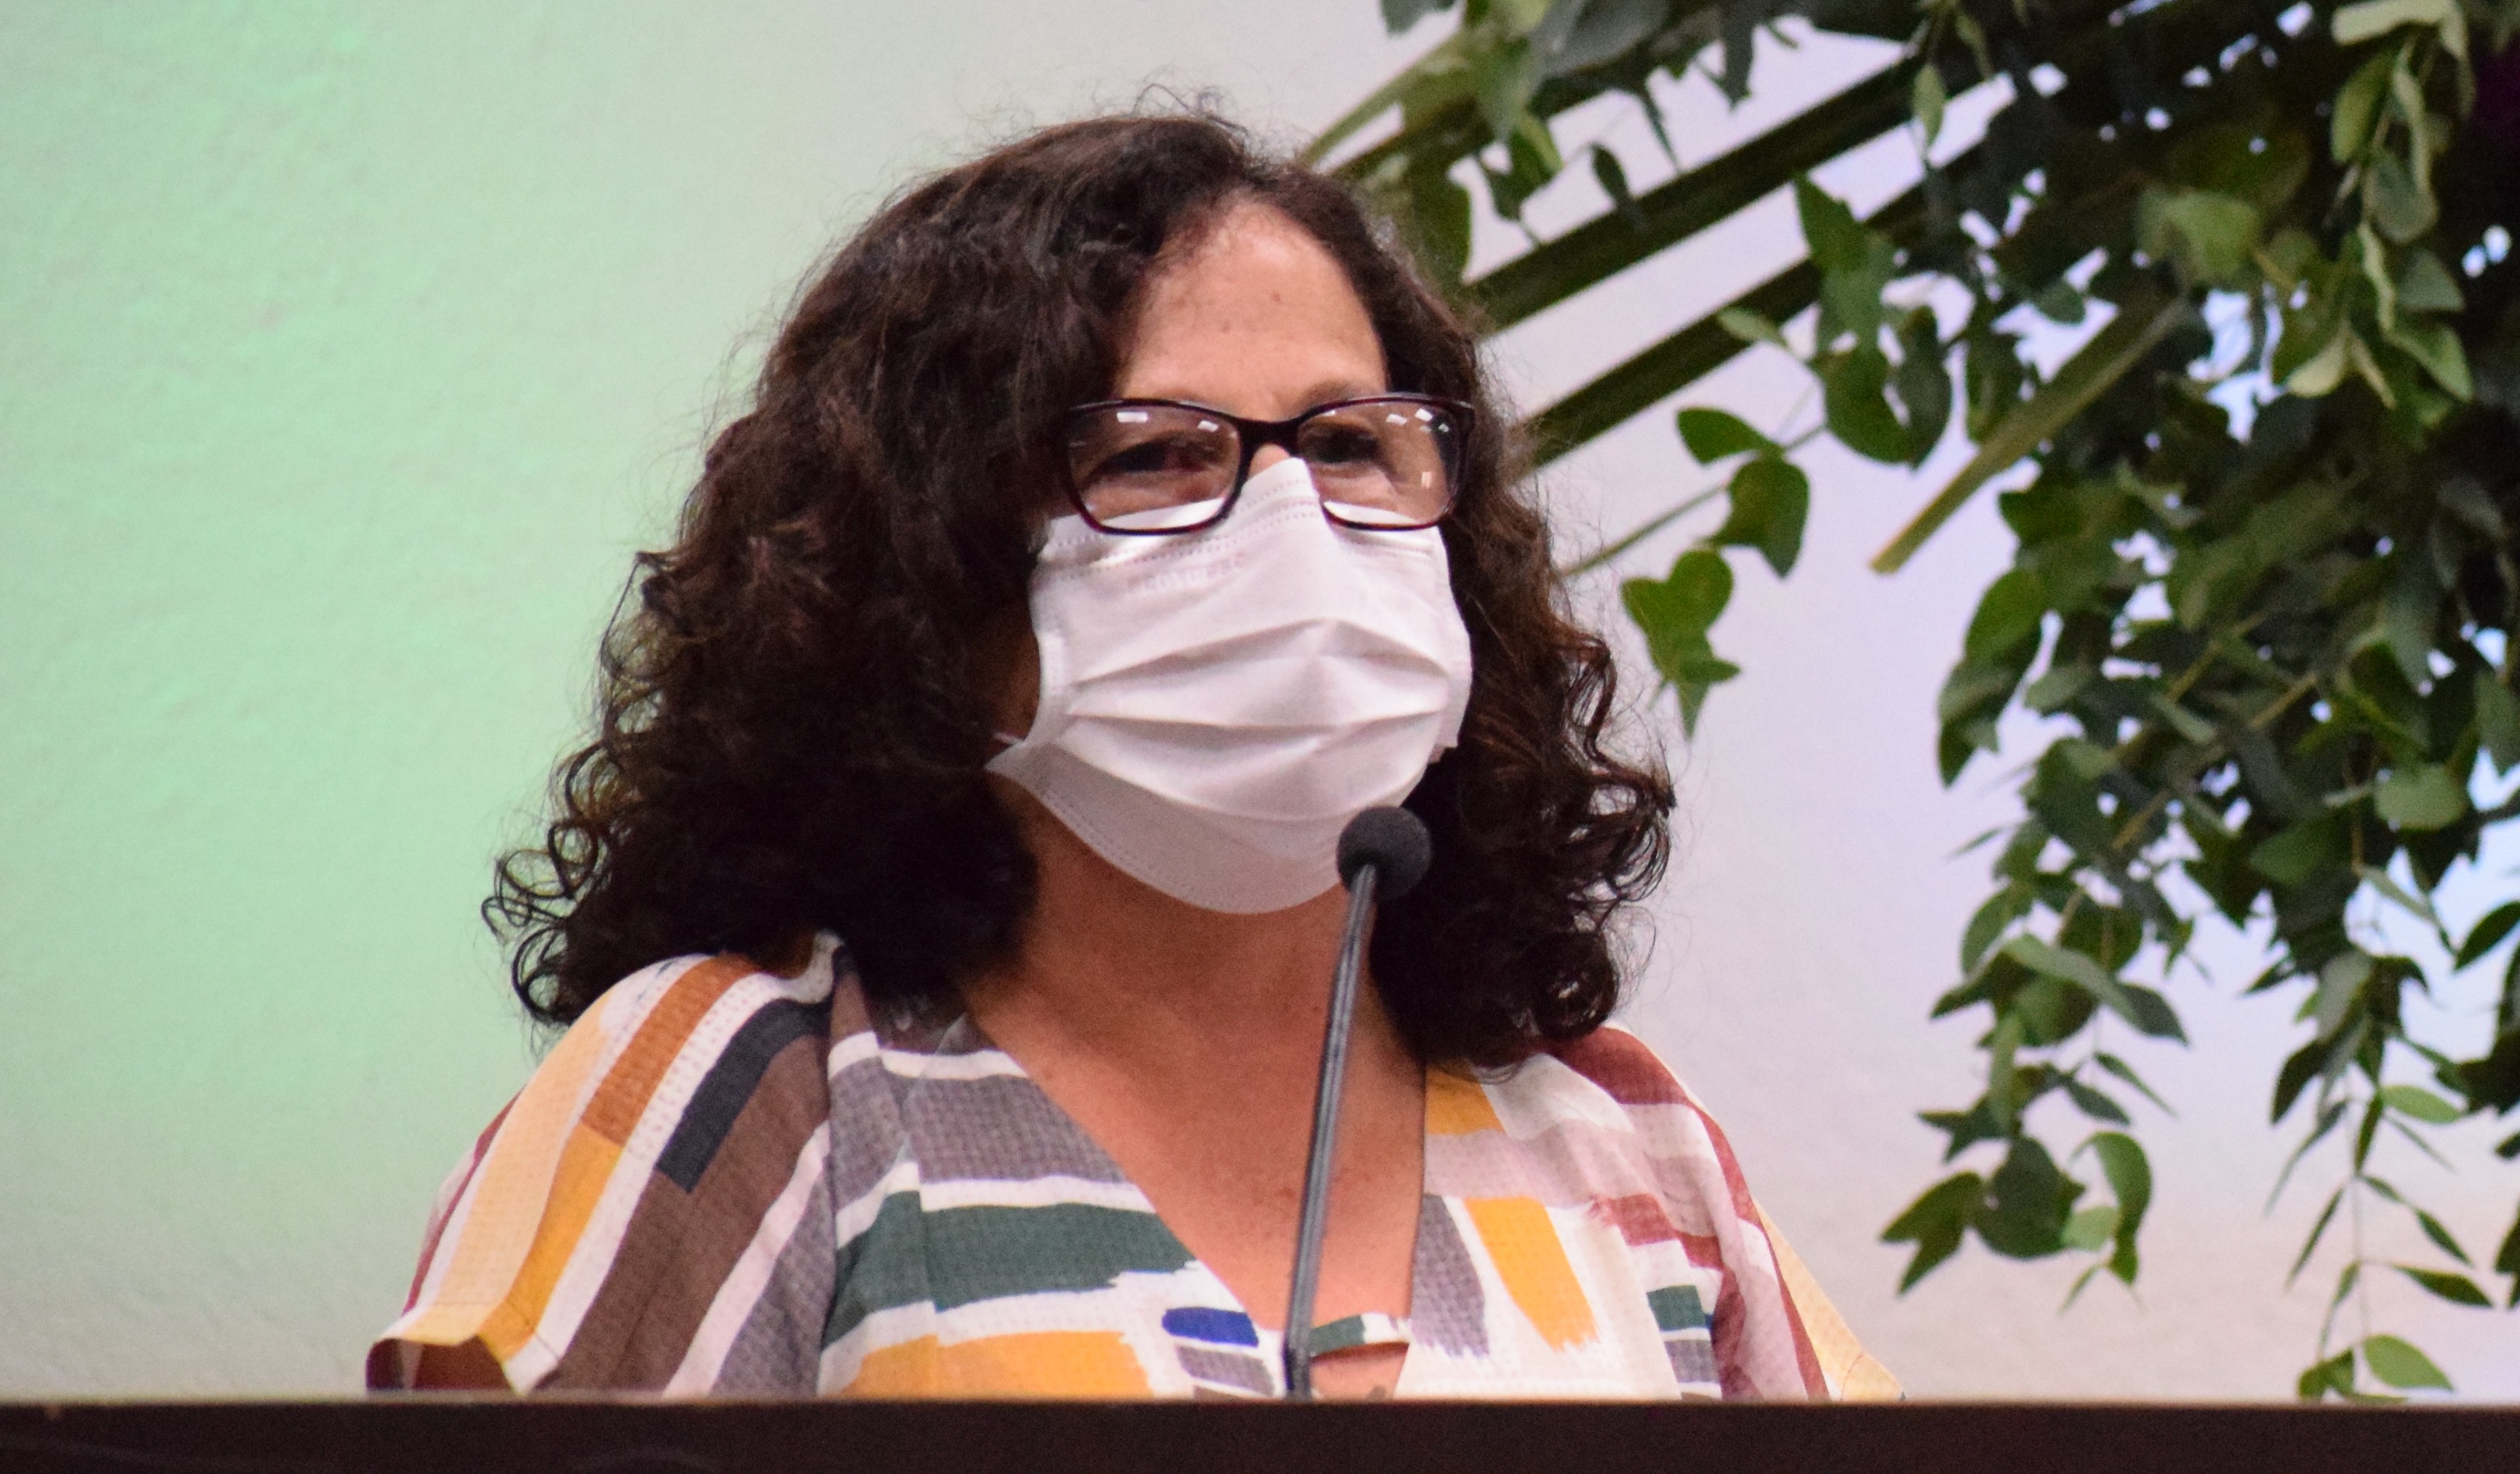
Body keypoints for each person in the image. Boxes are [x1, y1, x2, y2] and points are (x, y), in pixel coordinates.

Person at [372, 112, 1889, 1401]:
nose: (1292, 527)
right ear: (923, 584)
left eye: (1351, 443)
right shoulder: (750, 1097)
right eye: (1158, 453)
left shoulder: (1628, 1151)